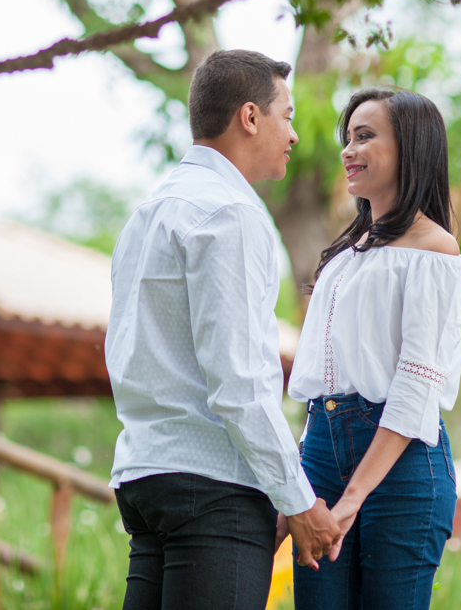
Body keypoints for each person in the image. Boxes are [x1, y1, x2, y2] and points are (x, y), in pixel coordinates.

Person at [105, 49, 342, 610]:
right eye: (287, 115)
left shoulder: (150, 211)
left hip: (146, 474)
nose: (295, 134)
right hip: (211, 485)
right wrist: (300, 500)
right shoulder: (230, 214)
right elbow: (240, 383)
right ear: (250, 116)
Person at [289, 86, 461, 610]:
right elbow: (321, 377)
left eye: (364, 137)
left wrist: (352, 500)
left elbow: (416, 386)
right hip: (321, 449)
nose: (348, 150)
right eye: (347, 138)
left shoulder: (434, 250)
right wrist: (298, 480)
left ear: (410, 148)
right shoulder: (348, 253)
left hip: (403, 462)